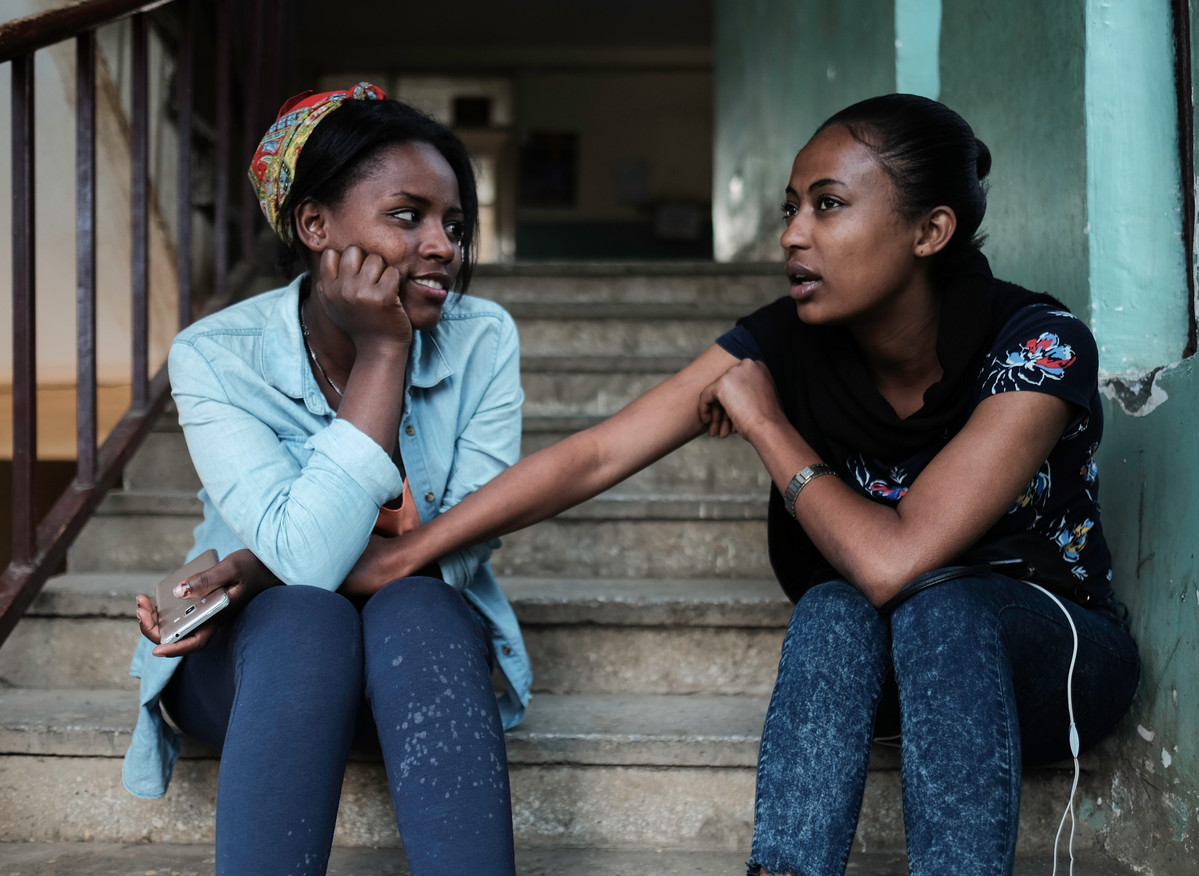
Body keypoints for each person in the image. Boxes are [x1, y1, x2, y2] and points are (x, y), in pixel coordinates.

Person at [183, 94, 1141, 875]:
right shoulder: (789, 332)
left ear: (930, 230)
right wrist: (411, 554)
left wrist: (766, 423)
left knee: (929, 607)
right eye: (789, 208)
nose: (792, 236)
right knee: (830, 612)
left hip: (1045, 653)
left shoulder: (1037, 346)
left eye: (828, 206)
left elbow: (895, 563)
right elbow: (599, 455)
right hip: (886, 660)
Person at [123, 83, 528, 876]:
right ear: (314, 225)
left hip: (413, 672)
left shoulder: (483, 339)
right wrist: (385, 353)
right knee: (306, 618)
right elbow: (307, 566)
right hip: (253, 670)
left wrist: (251, 563)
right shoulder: (217, 354)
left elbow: (470, 538)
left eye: (453, 224)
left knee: (418, 600)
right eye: (406, 216)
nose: (442, 245)